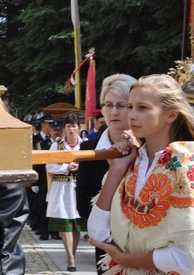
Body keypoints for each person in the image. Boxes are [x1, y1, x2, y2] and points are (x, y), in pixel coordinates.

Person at [87, 74, 194, 275]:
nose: (132, 115)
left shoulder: (183, 164)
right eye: (130, 107)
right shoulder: (134, 162)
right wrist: (116, 170)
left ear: (171, 115)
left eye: (142, 107)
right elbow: (96, 231)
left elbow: (188, 257)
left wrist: (125, 259)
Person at [76, 73, 136, 274]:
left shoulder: (148, 147)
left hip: (143, 241)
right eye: (108, 105)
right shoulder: (91, 148)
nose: (114, 111)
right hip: (106, 242)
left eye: (122, 105)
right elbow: (83, 202)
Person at [46, 113, 85, 271]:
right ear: (64, 128)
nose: (71, 129)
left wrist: (79, 167)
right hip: (62, 187)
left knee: (76, 223)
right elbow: (49, 166)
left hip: (78, 187)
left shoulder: (84, 144)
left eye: (74, 126)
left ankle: (73, 255)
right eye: (68, 126)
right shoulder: (57, 145)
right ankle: (70, 259)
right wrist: (65, 167)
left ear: (78, 128)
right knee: (65, 223)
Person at [31, 115, 53, 240]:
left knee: (50, 203)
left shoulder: (55, 140)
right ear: (43, 124)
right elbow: (33, 161)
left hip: (51, 176)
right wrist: (34, 181)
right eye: (48, 124)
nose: (50, 127)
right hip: (40, 176)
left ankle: (52, 230)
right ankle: (42, 229)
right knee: (40, 204)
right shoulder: (35, 139)